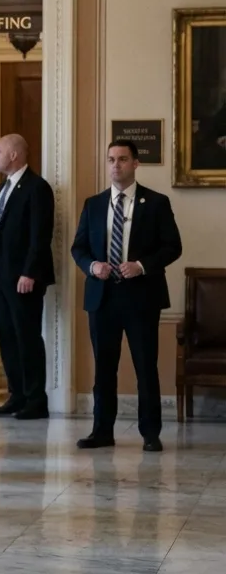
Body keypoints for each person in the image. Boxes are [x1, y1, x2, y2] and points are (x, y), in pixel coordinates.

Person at [71, 139, 182, 452]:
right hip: (102, 297)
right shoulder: (93, 204)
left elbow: (173, 246)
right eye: (110, 160)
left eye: (122, 159)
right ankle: (102, 431)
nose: (115, 165)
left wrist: (142, 266)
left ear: (135, 164)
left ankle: (150, 433)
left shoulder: (156, 203)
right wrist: (92, 266)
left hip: (142, 298)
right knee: (104, 369)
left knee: (146, 367)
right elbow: (78, 248)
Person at [0, 133, 55, 420]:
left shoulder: (37, 187)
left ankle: (36, 399)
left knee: (27, 338)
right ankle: (17, 395)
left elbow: (40, 235)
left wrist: (30, 272)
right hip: (1, 277)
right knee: (8, 338)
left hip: (24, 279)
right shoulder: (3, 187)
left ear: (14, 155)